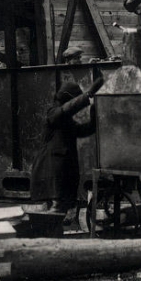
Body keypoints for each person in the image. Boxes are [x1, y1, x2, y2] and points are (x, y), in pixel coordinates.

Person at [30, 77, 105, 219]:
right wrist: (87, 96)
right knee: (56, 208)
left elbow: (84, 130)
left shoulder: (66, 120)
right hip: (53, 170)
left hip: (61, 171)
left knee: (59, 209)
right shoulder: (53, 113)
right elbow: (65, 110)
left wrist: (95, 109)